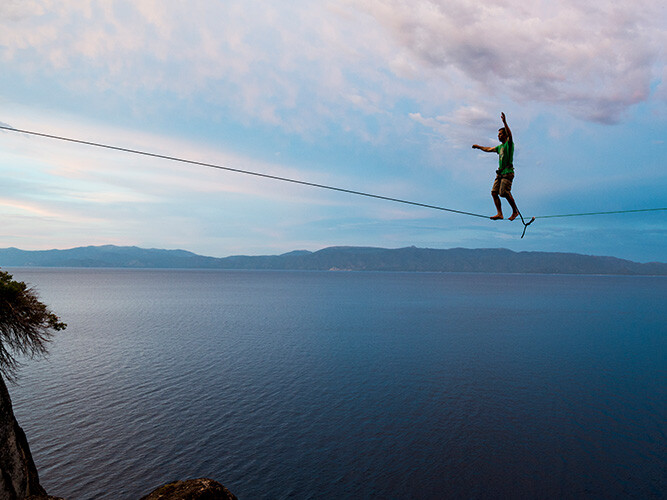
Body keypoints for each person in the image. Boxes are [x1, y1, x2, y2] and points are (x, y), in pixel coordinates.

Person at [472, 112, 520, 221]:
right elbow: (489, 149)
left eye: (500, 134)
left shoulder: (509, 144)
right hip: (500, 173)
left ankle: (515, 211)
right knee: (494, 193)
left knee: (503, 193)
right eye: (498, 134)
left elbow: (510, 135)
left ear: (505, 135)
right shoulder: (500, 147)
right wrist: (478, 147)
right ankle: (500, 213)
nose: (498, 136)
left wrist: (505, 122)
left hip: (508, 173)